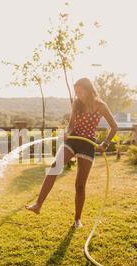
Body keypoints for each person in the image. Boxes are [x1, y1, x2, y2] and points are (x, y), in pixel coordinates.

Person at [25, 77, 118, 228]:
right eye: (76, 92)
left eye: (80, 92)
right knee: (55, 166)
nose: (78, 95)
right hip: (72, 140)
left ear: (88, 90)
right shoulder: (77, 103)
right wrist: (67, 133)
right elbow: (71, 125)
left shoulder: (101, 106)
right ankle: (38, 204)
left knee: (80, 185)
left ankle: (77, 220)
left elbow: (114, 127)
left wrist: (105, 143)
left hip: (87, 144)